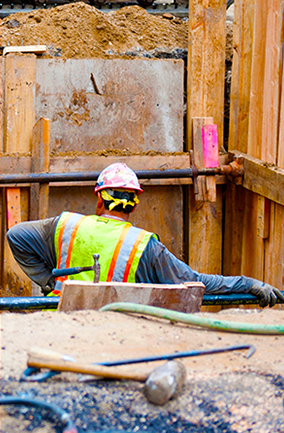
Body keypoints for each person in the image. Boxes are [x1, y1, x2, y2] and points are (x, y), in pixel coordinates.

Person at [6, 162, 284, 308]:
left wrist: (47, 281)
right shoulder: (144, 246)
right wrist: (246, 283)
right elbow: (196, 283)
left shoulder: (66, 225)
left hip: (57, 325)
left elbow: (16, 236)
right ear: (134, 205)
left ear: (99, 200)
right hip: (116, 334)